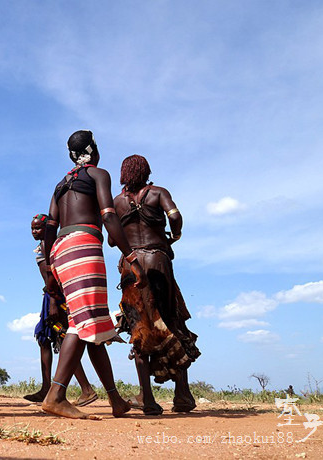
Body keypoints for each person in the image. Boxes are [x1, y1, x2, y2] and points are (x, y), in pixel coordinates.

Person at [42, 130, 147, 420]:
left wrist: (51, 265)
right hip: (83, 245)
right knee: (82, 322)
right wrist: (131, 256)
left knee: (94, 325)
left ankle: (116, 400)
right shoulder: (98, 174)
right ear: (93, 150)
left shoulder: (60, 185)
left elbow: (51, 225)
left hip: (61, 249)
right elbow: (108, 215)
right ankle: (56, 394)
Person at [113, 154, 200, 415]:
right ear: (146, 171)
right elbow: (175, 216)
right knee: (171, 321)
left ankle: (148, 399)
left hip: (130, 265)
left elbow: (111, 238)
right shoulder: (158, 192)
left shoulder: (117, 202)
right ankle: (182, 395)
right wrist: (175, 235)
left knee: (139, 328)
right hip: (158, 260)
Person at [24, 214, 97, 407]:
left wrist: (55, 302)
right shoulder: (44, 246)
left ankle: (86, 389)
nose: (34, 232)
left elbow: (54, 276)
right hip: (51, 295)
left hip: (58, 297)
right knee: (44, 339)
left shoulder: (53, 246)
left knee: (64, 341)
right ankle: (46, 387)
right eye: (32, 228)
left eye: (38, 228)